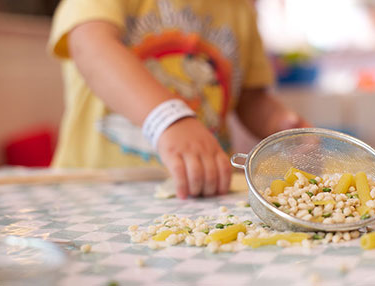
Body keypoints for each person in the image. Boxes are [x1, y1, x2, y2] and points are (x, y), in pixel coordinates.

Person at [48, 0, 310, 199]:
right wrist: (168, 118)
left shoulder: (240, 7)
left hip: (204, 190)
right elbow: (89, 45)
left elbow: (250, 98)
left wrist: (278, 124)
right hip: (95, 191)